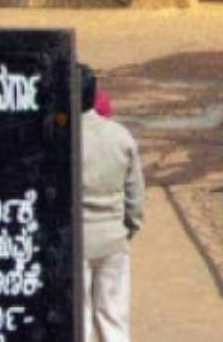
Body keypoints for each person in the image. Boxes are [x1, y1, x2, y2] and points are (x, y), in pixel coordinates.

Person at [80, 64, 144, 342]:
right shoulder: (120, 136)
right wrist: (128, 227)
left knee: (77, 321)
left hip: (75, 243)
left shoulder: (60, 139)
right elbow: (135, 195)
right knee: (113, 319)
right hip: (113, 239)